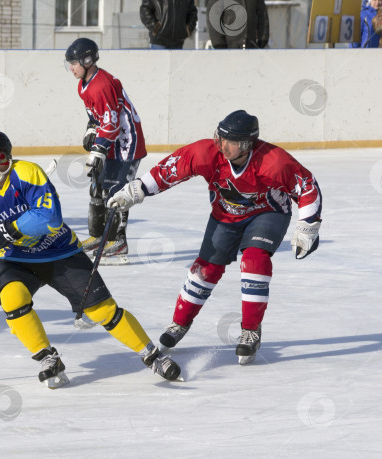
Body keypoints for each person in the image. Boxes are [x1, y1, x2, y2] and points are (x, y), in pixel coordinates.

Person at [0, 130, 181, 388]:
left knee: (102, 310)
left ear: (2, 160)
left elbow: (49, 217)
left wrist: (9, 229)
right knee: (12, 297)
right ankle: (47, 357)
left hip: (60, 252)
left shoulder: (27, 174)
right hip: (16, 260)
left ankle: (152, 355)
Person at [107, 110, 322, 364]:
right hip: (225, 216)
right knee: (205, 268)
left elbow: (306, 185)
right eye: (220, 137)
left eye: (230, 141)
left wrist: (308, 225)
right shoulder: (206, 152)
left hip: (268, 213)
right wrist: (138, 189)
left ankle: (250, 330)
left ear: (246, 144)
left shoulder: (272, 161)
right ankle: (179, 323)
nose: (222, 144)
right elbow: (171, 169)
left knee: (254, 260)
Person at [64, 38, 147, 265]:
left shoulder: (102, 85)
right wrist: (91, 130)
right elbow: (98, 118)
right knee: (97, 188)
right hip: (111, 142)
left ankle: (118, 241)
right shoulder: (83, 85)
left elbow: (111, 124)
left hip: (126, 143)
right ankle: (98, 234)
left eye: (73, 62)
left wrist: (98, 150)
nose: (70, 68)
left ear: (87, 61)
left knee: (117, 192)